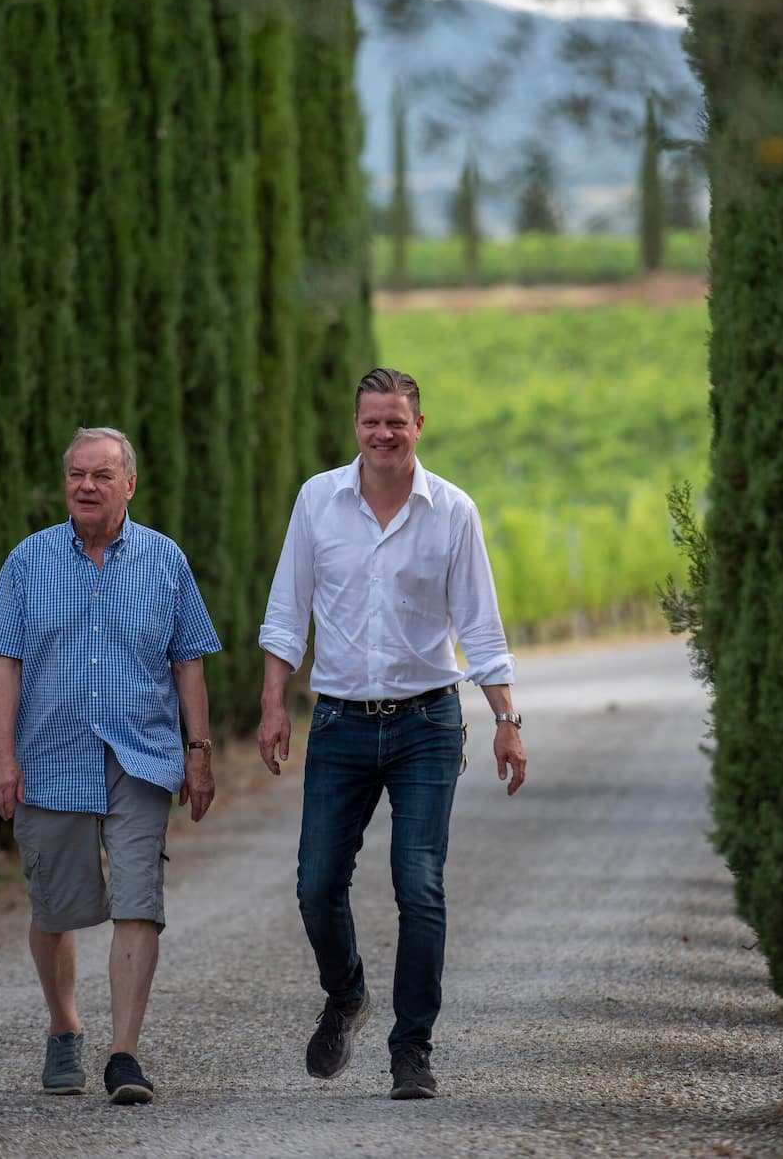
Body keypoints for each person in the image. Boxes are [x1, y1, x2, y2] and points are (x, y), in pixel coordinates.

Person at [257, 367, 526, 1101]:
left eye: (397, 421)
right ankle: (346, 994)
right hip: (340, 721)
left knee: (420, 885)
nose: (383, 433)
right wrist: (274, 704)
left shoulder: (453, 512)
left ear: (419, 426)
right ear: (355, 426)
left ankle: (412, 1048)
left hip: (427, 723)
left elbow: (481, 627)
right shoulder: (318, 501)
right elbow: (287, 613)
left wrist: (506, 720)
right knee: (317, 886)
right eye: (372, 420)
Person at [0, 427, 221, 1105]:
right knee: (57, 906)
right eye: (77, 474)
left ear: (129, 485)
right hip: (49, 755)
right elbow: (4, 663)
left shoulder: (165, 561)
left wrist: (198, 755)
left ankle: (123, 1055)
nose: (86, 485)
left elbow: (189, 659)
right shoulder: (28, 561)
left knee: (140, 896)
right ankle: (64, 1026)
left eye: (101, 475)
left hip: (141, 755)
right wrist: (2, 758)